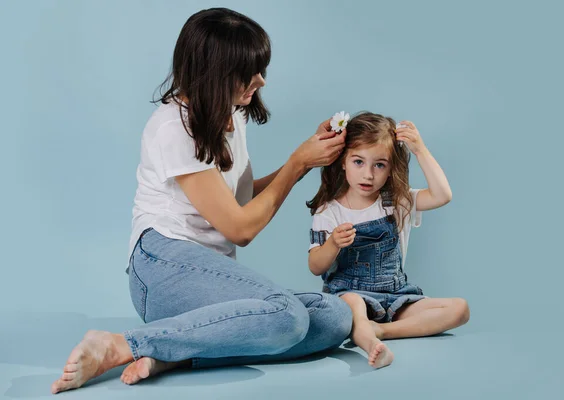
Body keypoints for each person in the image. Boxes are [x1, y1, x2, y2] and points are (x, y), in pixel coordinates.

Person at [51, 8, 352, 395]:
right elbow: (240, 228)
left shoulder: (230, 113)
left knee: (335, 318)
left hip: (209, 278)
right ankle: (123, 344)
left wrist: (310, 160)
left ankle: (175, 352)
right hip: (162, 268)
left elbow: (238, 200)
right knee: (288, 317)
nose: (261, 80)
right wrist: (297, 162)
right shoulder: (174, 128)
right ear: (215, 73)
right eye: (250, 71)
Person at [307, 112, 470, 368]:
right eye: (358, 162)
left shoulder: (397, 203)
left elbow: (442, 195)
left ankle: (382, 331)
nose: (368, 174)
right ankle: (370, 342)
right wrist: (333, 245)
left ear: (391, 167)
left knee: (460, 309)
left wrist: (421, 150)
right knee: (352, 304)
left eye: (379, 165)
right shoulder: (329, 211)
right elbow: (316, 266)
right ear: (342, 161)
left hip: (395, 298)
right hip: (351, 295)